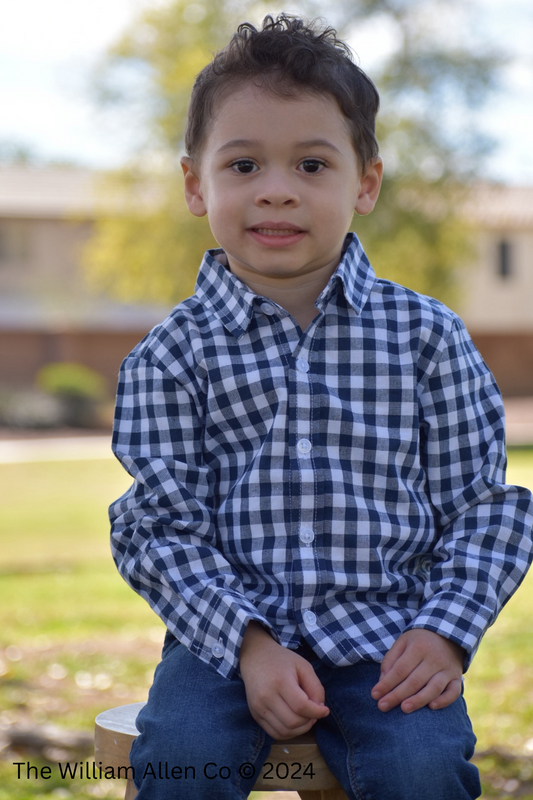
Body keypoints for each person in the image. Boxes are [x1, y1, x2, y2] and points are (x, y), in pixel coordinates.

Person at [109, 14, 533, 800]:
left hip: (389, 639)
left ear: (363, 182)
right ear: (196, 185)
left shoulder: (425, 337)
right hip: (225, 646)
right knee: (182, 761)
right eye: (242, 165)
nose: (276, 187)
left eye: (310, 163)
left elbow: (484, 509)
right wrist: (249, 646)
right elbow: (157, 527)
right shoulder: (173, 354)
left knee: (419, 768)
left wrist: (444, 632)